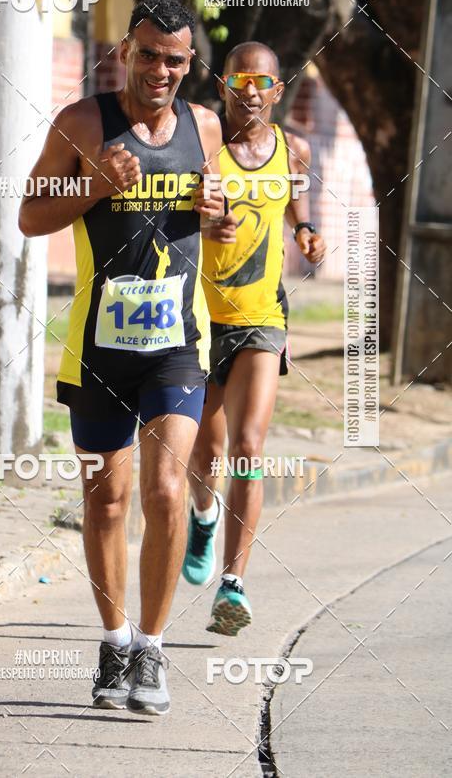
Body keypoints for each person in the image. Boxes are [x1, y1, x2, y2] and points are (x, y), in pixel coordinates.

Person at [19, 0, 224, 715]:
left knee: (165, 491)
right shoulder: (82, 123)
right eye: (148, 55)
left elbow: (217, 220)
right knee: (106, 500)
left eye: (174, 59)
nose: (160, 70)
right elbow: (30, 212)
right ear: (125, 54)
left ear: (188, 64)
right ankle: (113, 640)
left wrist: (219, 217)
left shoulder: (206, 126)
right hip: (99, 347)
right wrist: (96, 186)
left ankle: (153, 648)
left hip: (177, 345)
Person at [181, 42, 327, 635]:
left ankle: (233, 584)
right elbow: (182, 210)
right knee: (206, 455)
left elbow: (296, 204)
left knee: (246, 446)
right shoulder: (206, 149)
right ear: (223, 85)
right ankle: (203, 513)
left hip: (262, 317)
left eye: (262, 81)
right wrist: (204, 219)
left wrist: (308, 231)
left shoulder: (296, 151)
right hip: (199, 316)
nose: (251, 90)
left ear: (277, 89)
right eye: (240, 79)